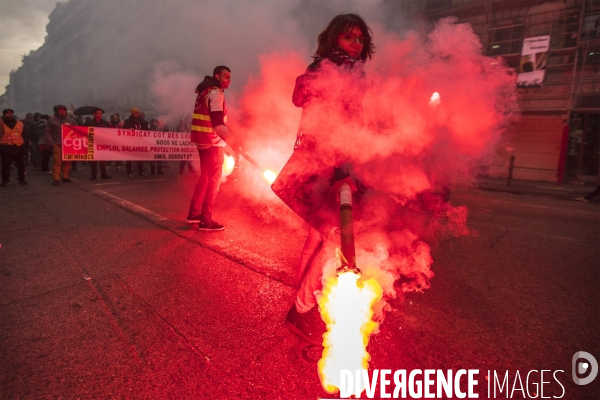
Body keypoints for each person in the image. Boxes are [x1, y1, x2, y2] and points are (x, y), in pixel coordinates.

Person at [272, 13, 375, 345]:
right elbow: (305, 102)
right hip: (324, 165)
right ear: (335, 40)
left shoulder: (354, 74)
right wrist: (341, 169)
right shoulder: (326, 71)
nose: (356, 44)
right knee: (334, 238)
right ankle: (302, 309)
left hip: (340, 164)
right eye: (349, 38)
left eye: (360, 39)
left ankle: (301, 303)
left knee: (319, 237)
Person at [186, 65, 239, 231]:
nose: (229, 80)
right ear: (217, 76)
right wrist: (233, 142)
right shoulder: (215, 93)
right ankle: (206, 221)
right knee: (214, 182)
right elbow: (217, 124)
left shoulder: (204, 91)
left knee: (205, 178)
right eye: (226, 77)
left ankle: (194, 214)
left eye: (230, 77)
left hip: (203, 141)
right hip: (212, 142)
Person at [45, 105, 77, 186]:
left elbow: (77, 129)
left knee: (68, 161)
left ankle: (65, 176)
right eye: (60, 110)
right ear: (56, 111)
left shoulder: (71, 120)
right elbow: (48, 131)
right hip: (57, 143)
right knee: (57, 161)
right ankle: (56, 178)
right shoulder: (52, 120)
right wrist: (51, 142)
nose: (62, 111)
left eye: (64, 109)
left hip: (69, 144)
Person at [1, 108, 28, 186]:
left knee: (21, 165)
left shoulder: (20, 124)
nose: (10, 114)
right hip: (6, 147)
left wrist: (24, 143)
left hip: (18, 147)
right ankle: (5, 180)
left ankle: (22, 179)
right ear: (4, 115)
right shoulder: (1, 124)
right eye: (7, 113)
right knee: (5, 166)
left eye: (11, 113)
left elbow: (25, 135)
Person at [84, 108, 112, 180]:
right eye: (98, 113)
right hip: (93, 143)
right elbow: (82, 130)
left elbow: (110, 132)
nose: (100, 115)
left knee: (103, 160)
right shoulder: (89, 123)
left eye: (101, 113)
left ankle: (104, 173)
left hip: (102, 143)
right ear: (94, 114)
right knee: (94, 161)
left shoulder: (105, 123)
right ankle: (94, 175)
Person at [123, 108, 148, 178]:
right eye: (135, 113)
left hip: (140, 142)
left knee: (140, 158)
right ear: (132, 114)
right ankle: (129, 172)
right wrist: (128, 130)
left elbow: (146, 129)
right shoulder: (127, 121)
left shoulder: (141, 121)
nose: (137, 114)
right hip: (131, 142)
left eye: (137, 113)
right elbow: (123, 130)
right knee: (130, 158)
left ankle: (141, 171)